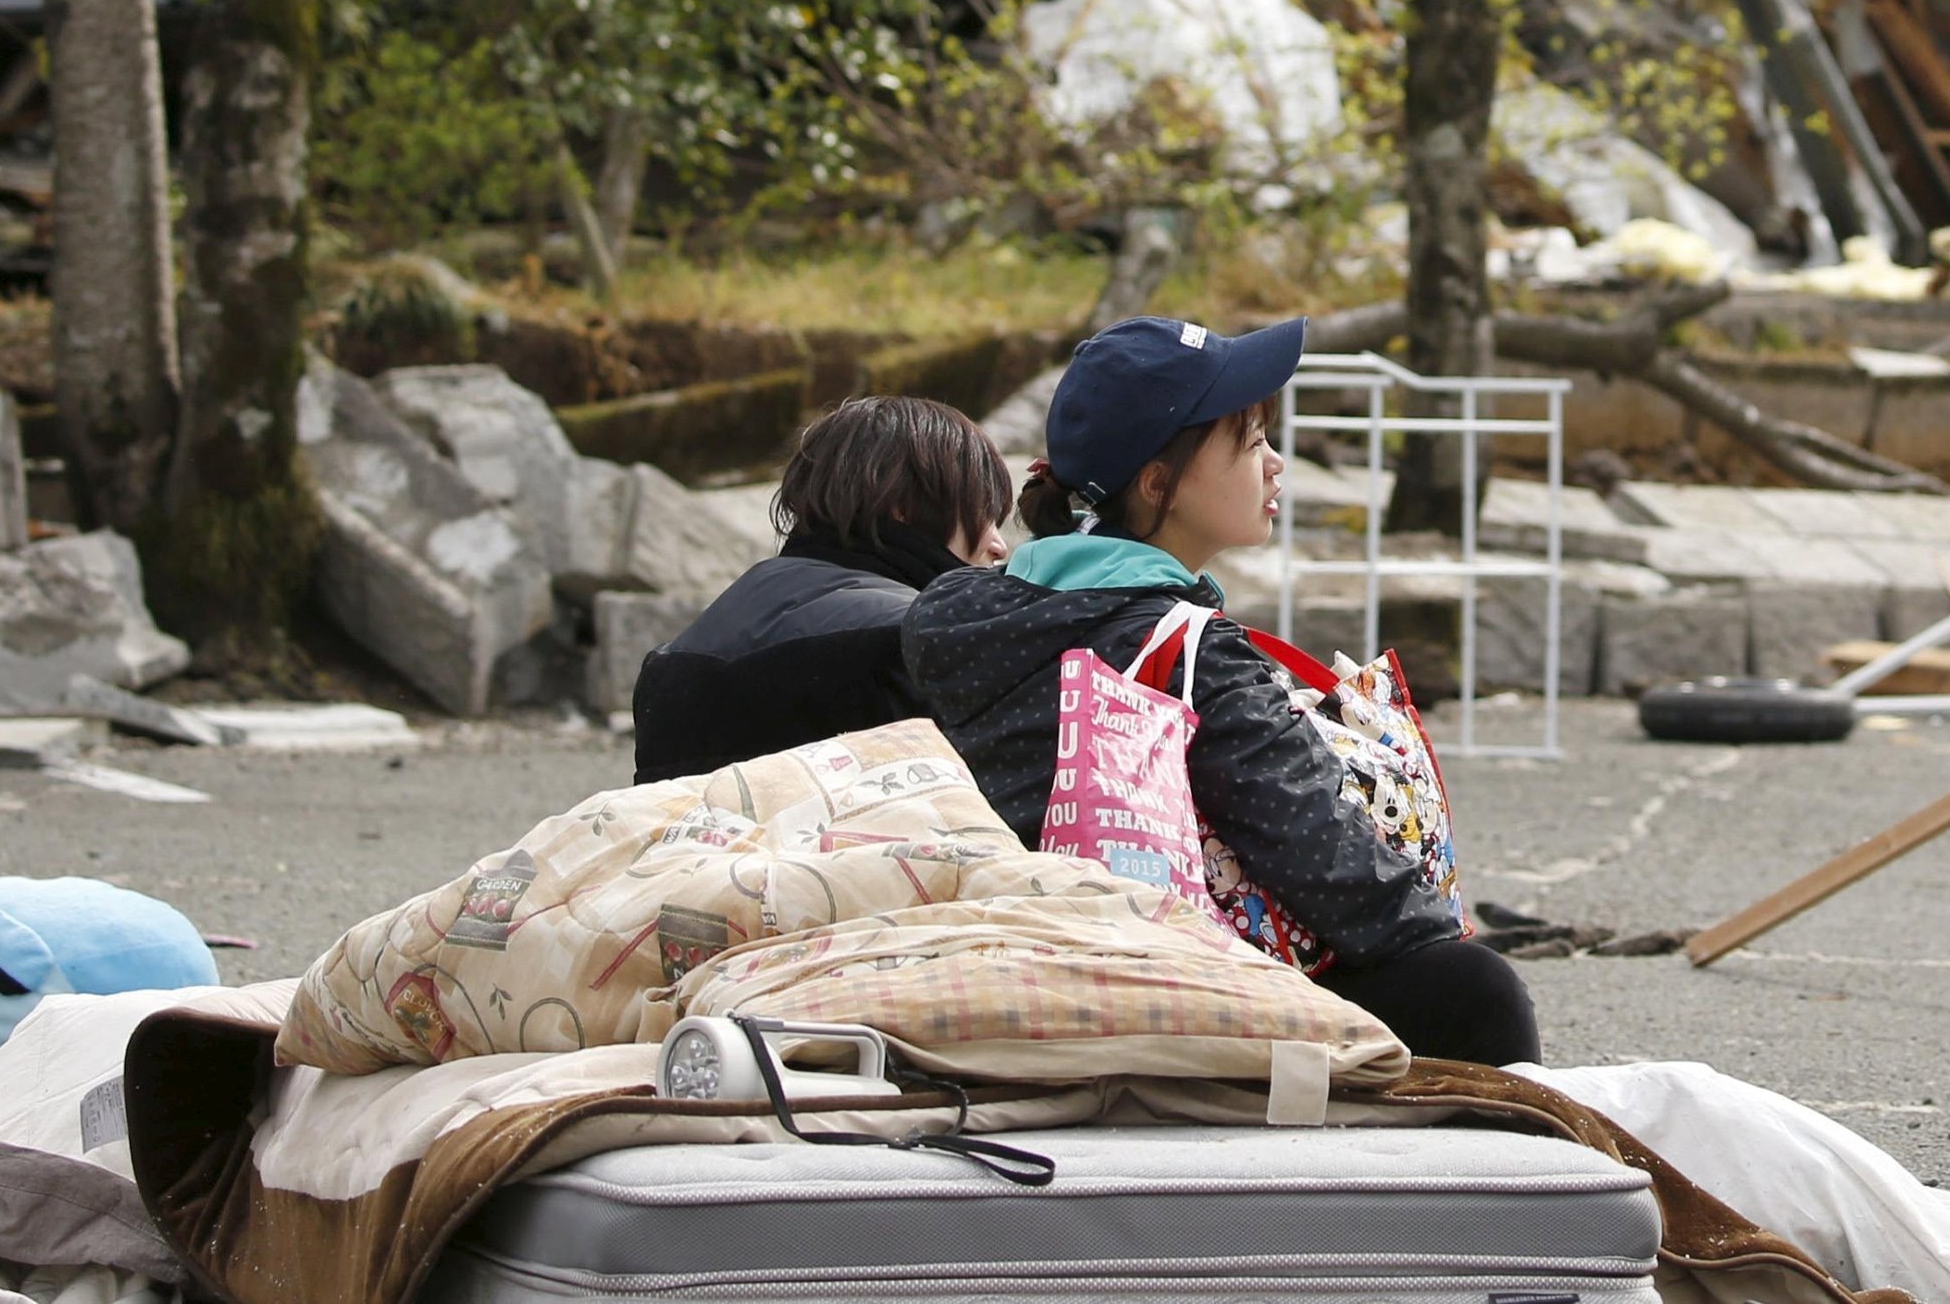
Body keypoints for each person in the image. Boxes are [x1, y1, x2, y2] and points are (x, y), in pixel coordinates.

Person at [905, 315, 1539, 1069]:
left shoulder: (950, 614)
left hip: (994, 959)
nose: (1275, 465)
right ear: (1156, 481)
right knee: (1475, 990)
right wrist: (1437, 929)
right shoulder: (1189, 652)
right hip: (1154, 988)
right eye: (1250, 442)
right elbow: (1331, 863)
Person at [631, 395, 1014, 783]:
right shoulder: (920, 638)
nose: (999, 546)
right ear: (902, 505)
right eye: (983, 515)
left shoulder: (672, 658)